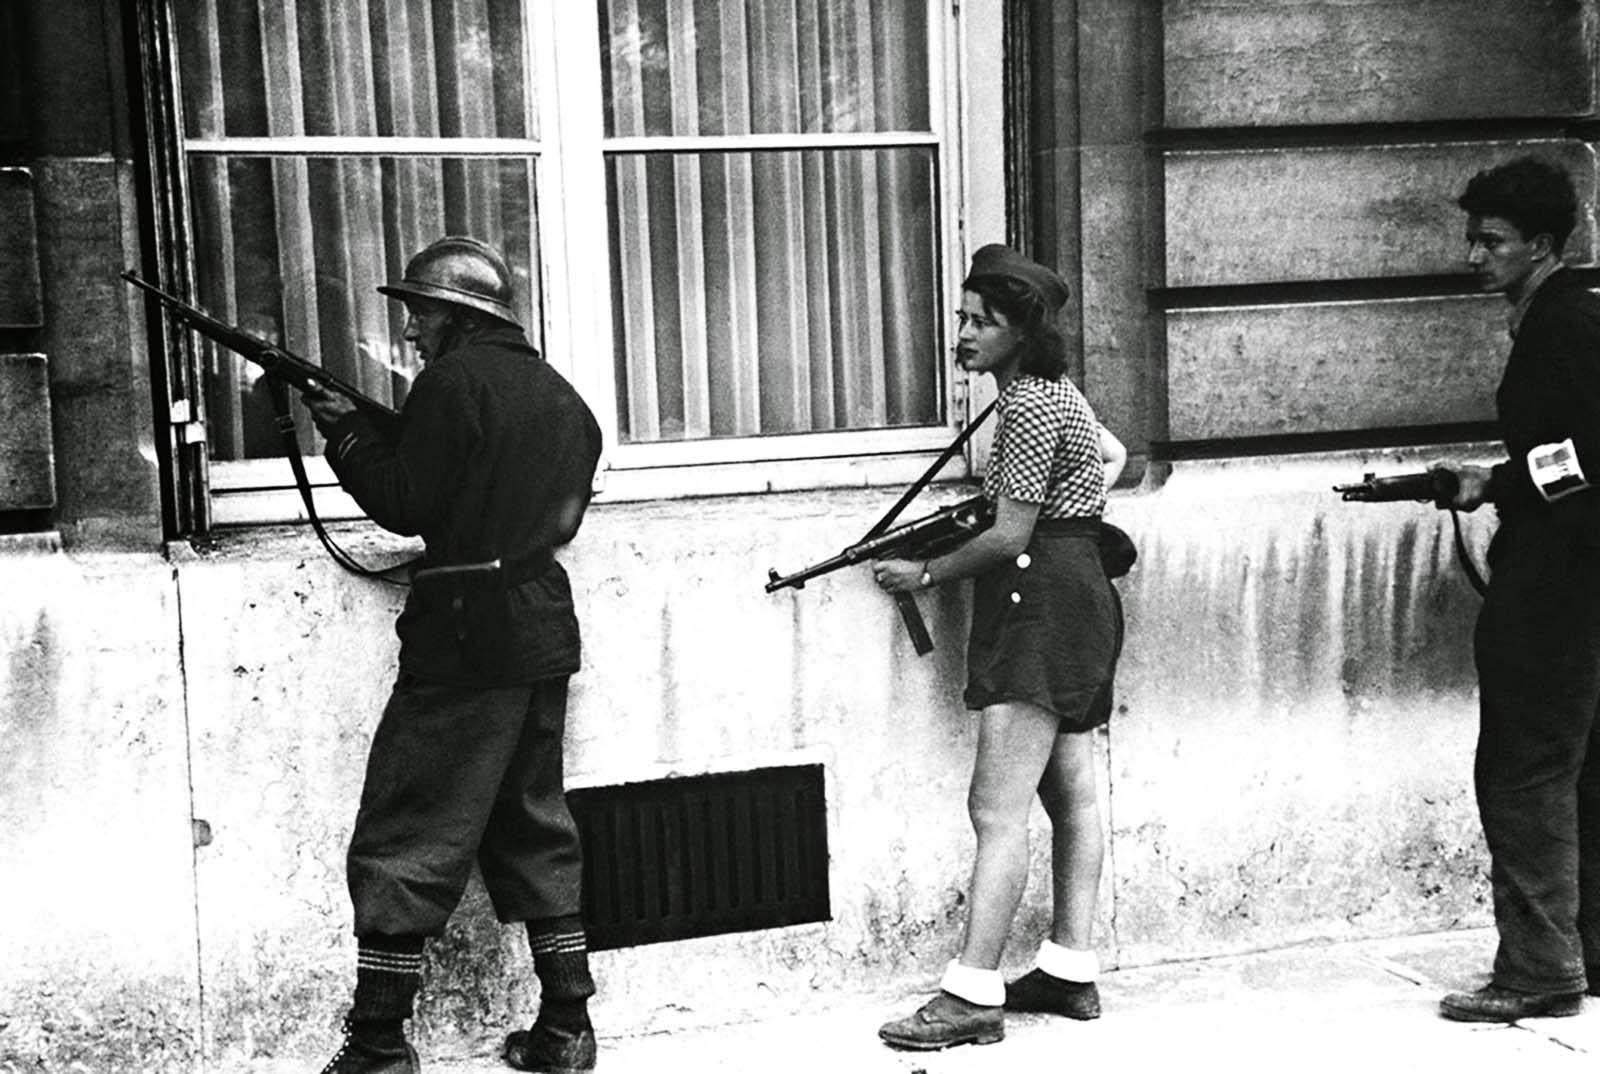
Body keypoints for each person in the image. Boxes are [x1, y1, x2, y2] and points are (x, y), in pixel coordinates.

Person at [300, 236, 605, 1073]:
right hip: (541, 626)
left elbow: (408, 503)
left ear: (460, 317)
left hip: (465, 637)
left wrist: (345, 438)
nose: (409, 335)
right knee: (533, 825)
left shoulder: (450, 384)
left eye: (419, 315)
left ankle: (377, 1046)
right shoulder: (562, 396)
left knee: (408, 833)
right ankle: (567, 1028)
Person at [871, 244, 1126, 1049]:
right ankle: (1071, 969)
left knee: (996, 809)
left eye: (983, 322)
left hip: (1038, 602)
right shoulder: (1059, 394)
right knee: (1072, 793)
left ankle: (973, 994)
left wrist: (925, 574)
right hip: (1079, 590)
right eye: (963, 318)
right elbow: (1111, 457)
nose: (965, 334)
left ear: (1024, 330)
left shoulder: (1025, 407)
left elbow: (1009, 531)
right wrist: (1074, 504)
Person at [1433, 155, 1600, 1022]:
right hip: (1584, 584)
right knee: (1579, 770)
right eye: (1472, 238)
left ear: (1542, 245)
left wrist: (1507, 488)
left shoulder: (1560, 325)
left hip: (1556, 584)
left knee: (1522, 775)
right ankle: (1583, 952)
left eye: (1491, 241)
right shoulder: (1581, 311)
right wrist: (1489, 481)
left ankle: (1538, 970)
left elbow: (1582, 460)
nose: (1474, 256)